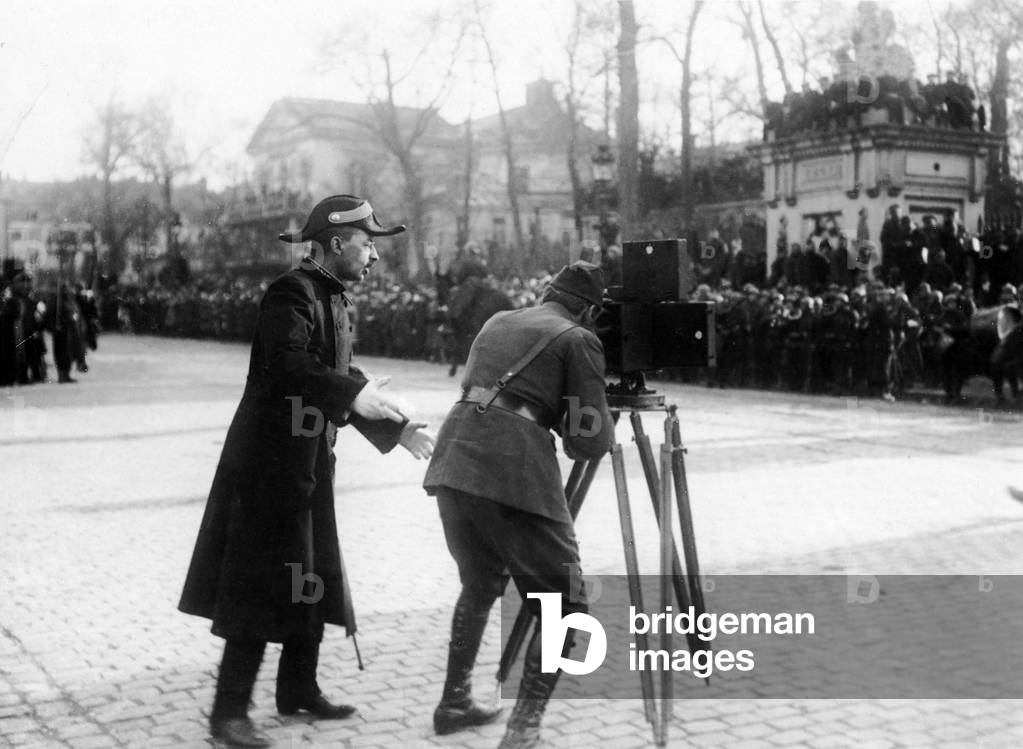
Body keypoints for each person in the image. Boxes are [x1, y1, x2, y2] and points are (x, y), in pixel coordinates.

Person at [178, 194, 436, 748]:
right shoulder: (290, 293)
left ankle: (297, 689)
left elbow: (340, 373)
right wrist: (357, 397)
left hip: (309, 461)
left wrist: (398, 428)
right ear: (337, 243)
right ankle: (228, 714)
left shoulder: (334, 300)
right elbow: (291, 366)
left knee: (310, 574)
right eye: (368, 245)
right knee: (257, 583)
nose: (373, 257)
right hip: (268, 466)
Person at [423, 261, 614, 749]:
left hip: (454, 461)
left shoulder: (498, 321)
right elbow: (589, 443)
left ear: (548, 292)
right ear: (588, 309)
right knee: (567, 605)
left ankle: (454, 702)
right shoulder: (579, 339)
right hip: (512, 471)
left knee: (481, 579)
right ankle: (523, 730)